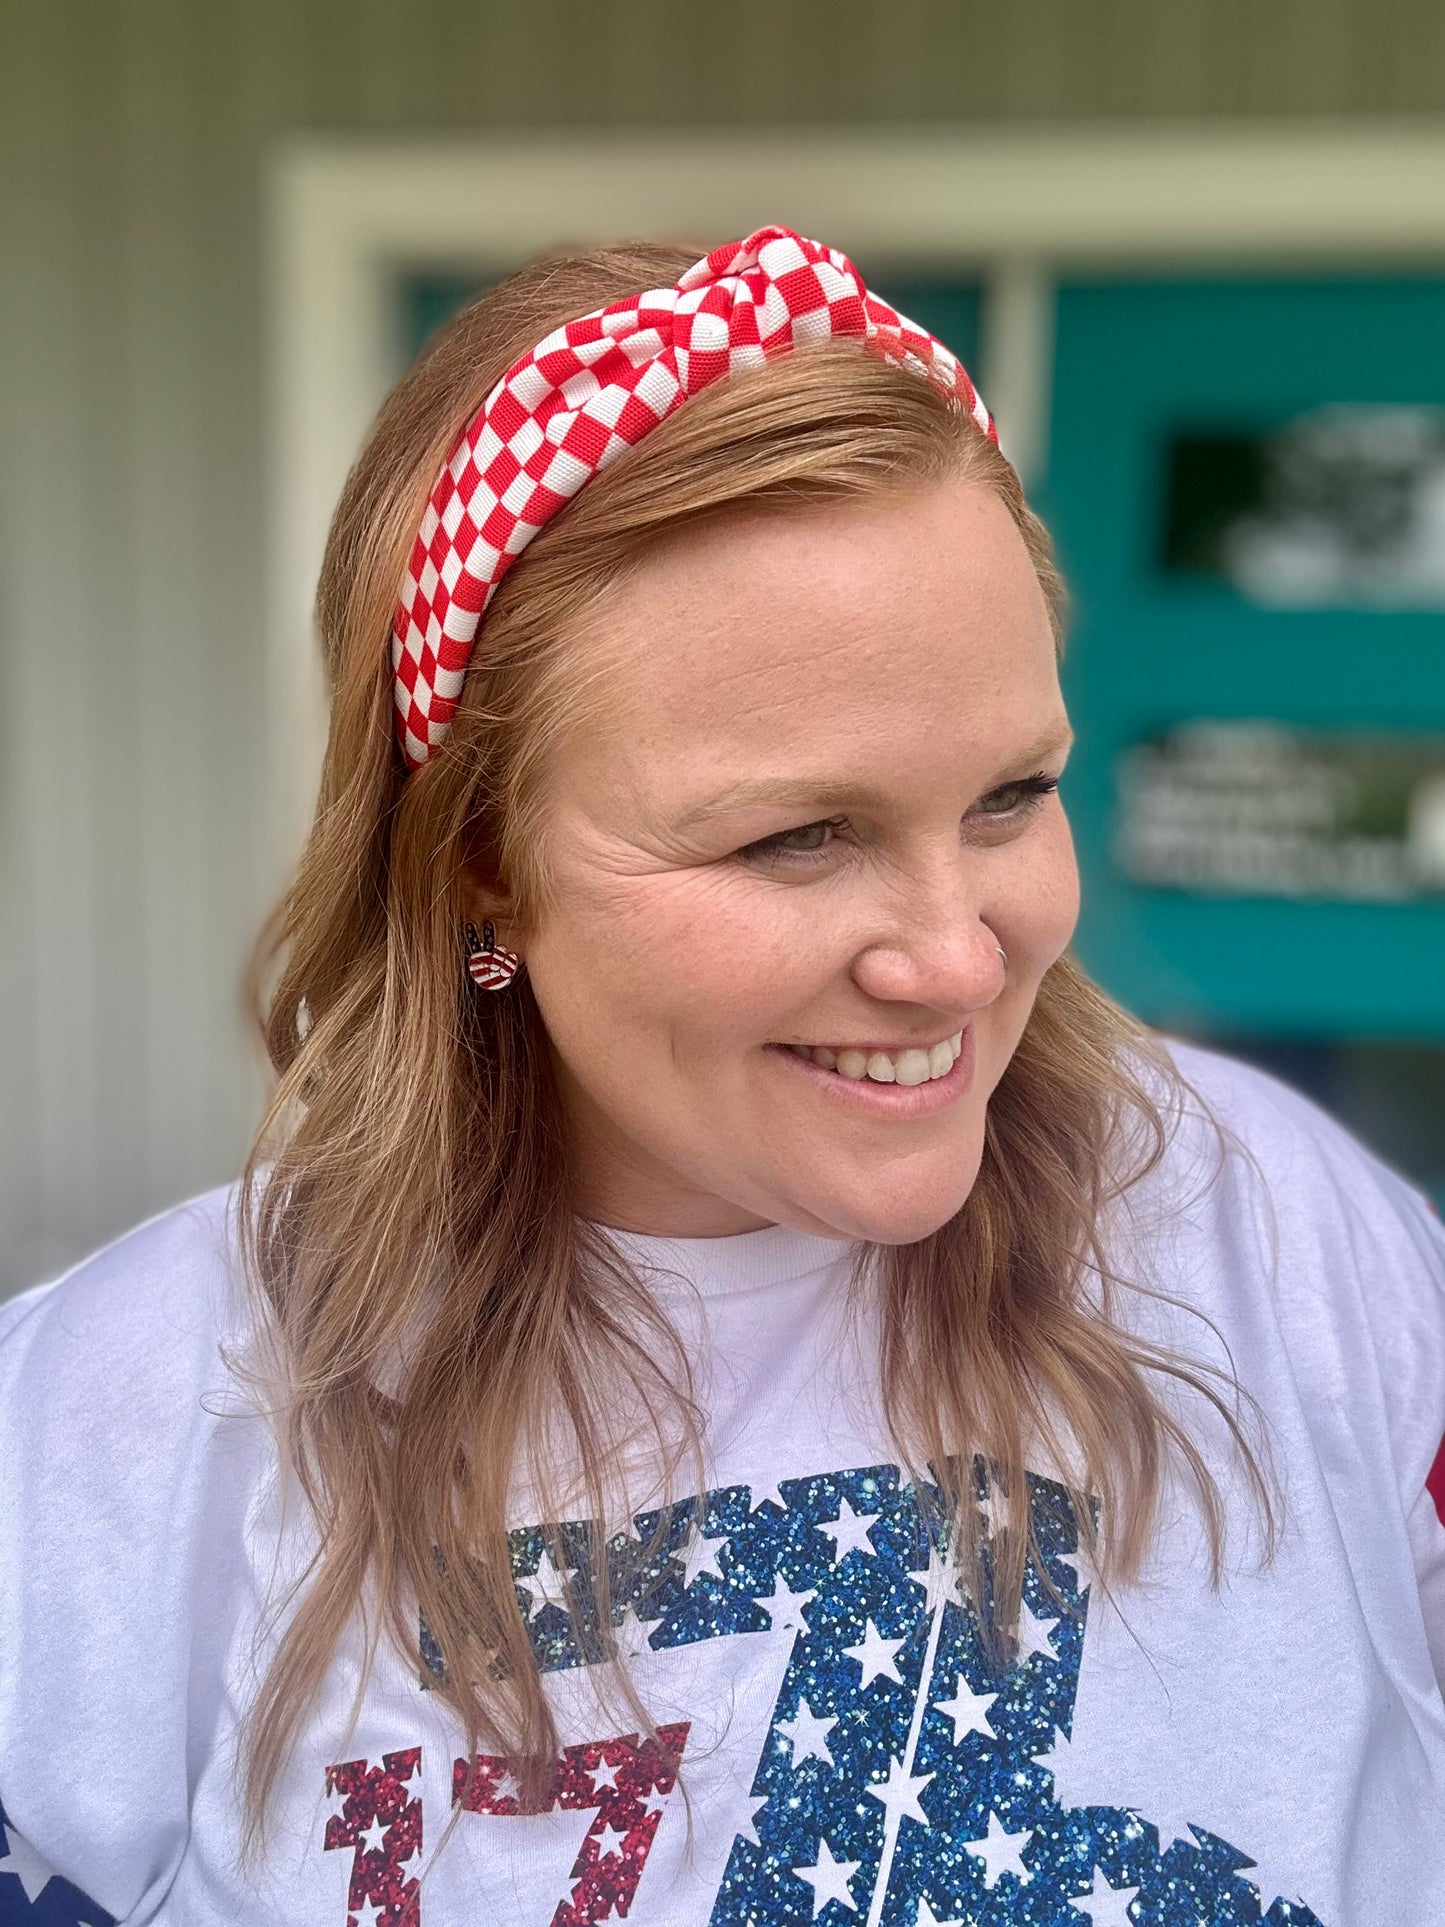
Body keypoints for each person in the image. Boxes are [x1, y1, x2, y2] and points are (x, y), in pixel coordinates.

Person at [1, 228, 1443, 1927]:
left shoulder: (1277, 1230)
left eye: (1007, 796)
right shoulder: (111, 1433)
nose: (959, 958)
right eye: (795, 838)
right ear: (480, 867)